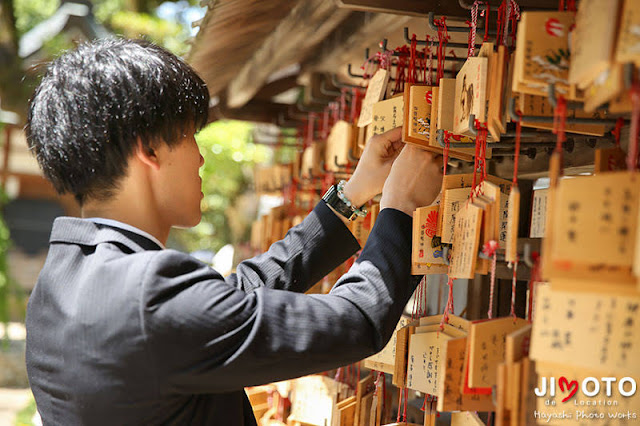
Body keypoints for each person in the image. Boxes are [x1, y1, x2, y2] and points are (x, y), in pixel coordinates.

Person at [24, 38, 442, 425]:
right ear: (149, 150)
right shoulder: (148, 297)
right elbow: (356, 321)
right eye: (189, 137)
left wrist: (352, 194)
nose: (201, 158)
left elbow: (231, 299)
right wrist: (401, 207)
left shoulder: (59, 285)